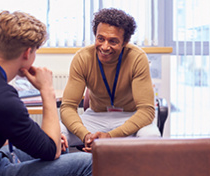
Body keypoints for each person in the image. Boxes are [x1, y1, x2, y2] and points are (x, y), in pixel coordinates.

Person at [0, 11, 92, 176]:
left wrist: (50, 142)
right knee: (90, 162)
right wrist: (47, 90)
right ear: (27, 53)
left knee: (61, 146)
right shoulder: (3, 98)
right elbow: (51, 151)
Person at [60, 8, 160, 152]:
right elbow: (68, 107)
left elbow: (146, 111)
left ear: (125, 41)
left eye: (113, 41)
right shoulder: (82, 58)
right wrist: (85, 135)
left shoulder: (137, 58)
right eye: (100, 39)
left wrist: (111, 136)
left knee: (152, 136)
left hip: (130, 117)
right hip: (95, 118)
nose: (105, 46)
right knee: (58, 131)